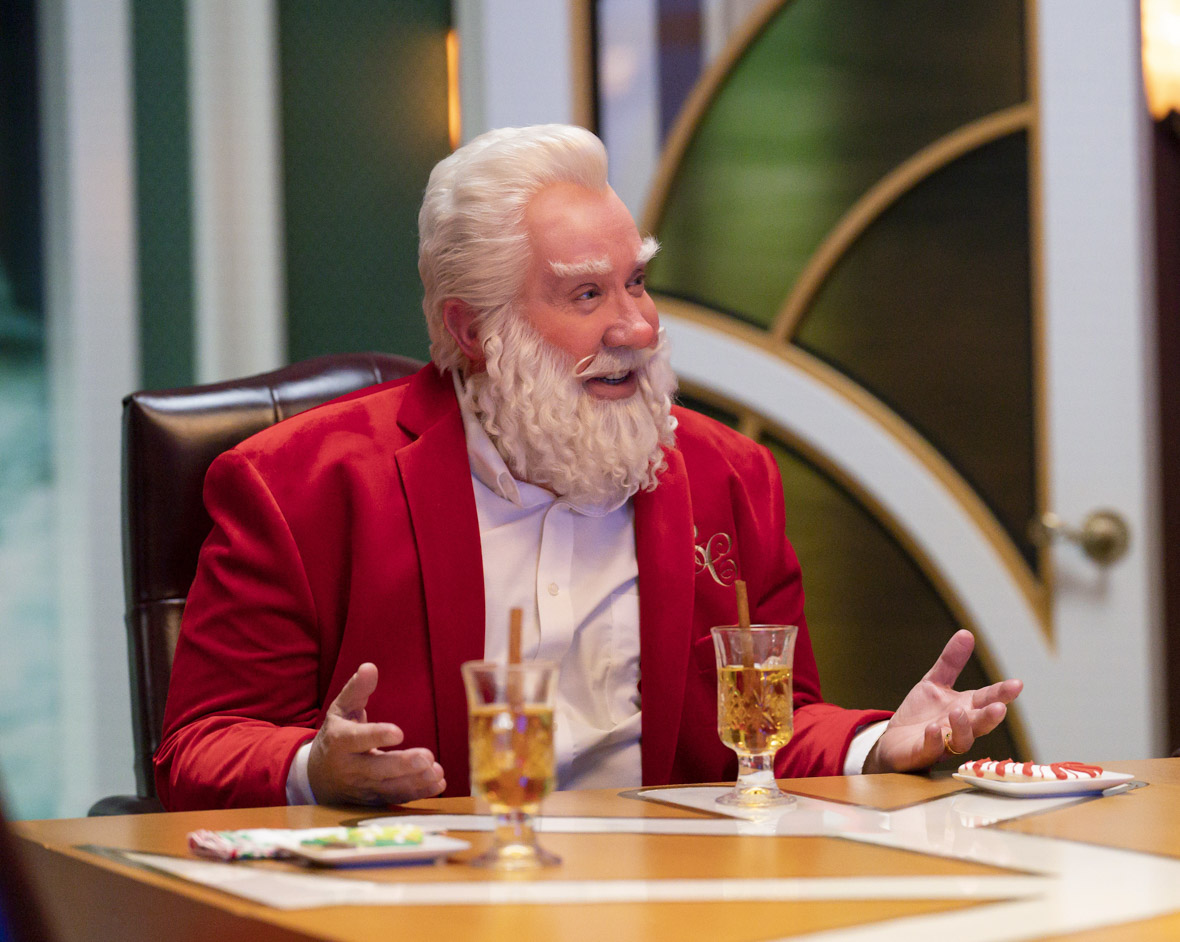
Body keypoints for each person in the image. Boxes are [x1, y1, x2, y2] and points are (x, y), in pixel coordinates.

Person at [155, 125, 1022, 811]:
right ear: (472, 331)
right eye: (586, 295)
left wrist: (880, 744)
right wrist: (316, 766)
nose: (638, 328)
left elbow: (768, 729)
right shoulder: (298, 486)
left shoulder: (729, 476)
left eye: (636, 283)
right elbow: (199, 747)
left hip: (674, 901)